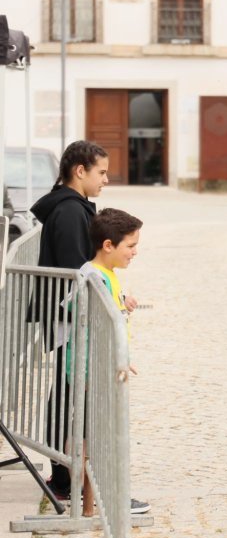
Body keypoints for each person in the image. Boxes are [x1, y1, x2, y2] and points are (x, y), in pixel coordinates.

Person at [31, 140, 111, 501]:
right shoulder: (68, 212)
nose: (105, 180)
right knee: (69, 398)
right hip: (69, 319)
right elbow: (73, 272)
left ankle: (64, 476)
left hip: (68, 318)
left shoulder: (71, 208)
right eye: (101, 172)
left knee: (66, 396)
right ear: (80, 171)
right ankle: (66, 479)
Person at [74, 207, 149, 515]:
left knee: (101, 434)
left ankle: (104, 496)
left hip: (103, 364)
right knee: (101, 435)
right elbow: (91, 320)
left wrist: (124, 306)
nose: (134, 253)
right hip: (94, 368)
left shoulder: (107, 275)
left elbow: (110, 316)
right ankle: (107, 498)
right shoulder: (94, 276)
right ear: (108, 245)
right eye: (130, 246)